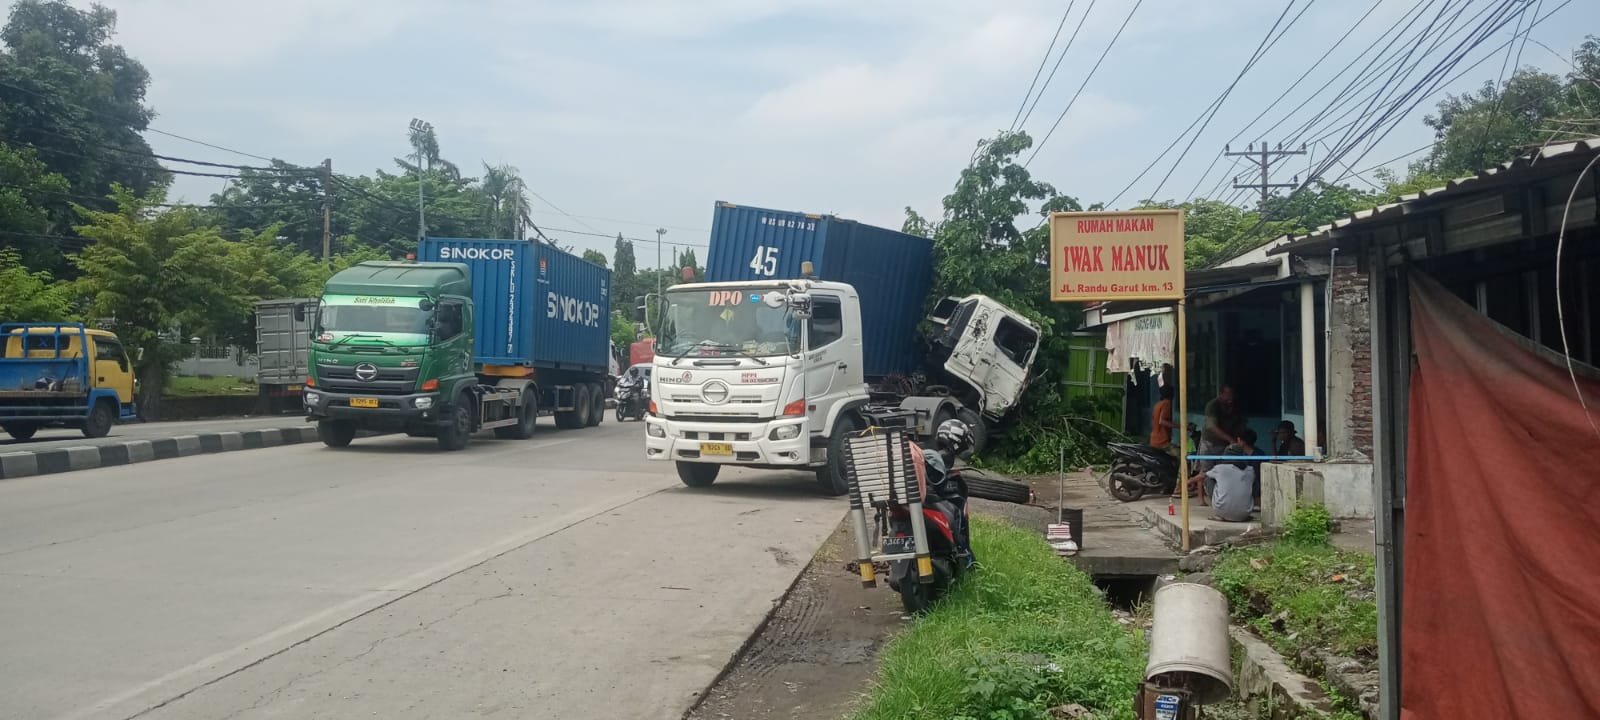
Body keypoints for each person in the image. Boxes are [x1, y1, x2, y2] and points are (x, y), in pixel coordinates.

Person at [1185, 385, 1239, 499]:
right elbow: (1211, 426)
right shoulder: (1213, 405)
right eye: (1228, 395)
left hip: (1223, 444)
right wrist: (1230, 439)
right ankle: (1200, 497)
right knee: (1205, 471)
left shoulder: (1232, 406)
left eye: (1232, 395)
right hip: (1209, 442)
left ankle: (1217, 495)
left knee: (1221, 471)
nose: (1231, 398)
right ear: (1221, 394)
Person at [1204, 446, 1256, 522]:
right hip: (1244, 514)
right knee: (1252, 484)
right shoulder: (1250, 470)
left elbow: (1204, 476)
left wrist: (1189, 481)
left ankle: (1219, 513)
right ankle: (1242, 508)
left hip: (1221, 511)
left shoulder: (1220, 468)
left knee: (1208, 480)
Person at [1149, 385, 1179, 458]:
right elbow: (1162, 421)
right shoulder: (1167, 403)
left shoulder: (1158, 404)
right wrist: (1182, 426)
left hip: (1154, 439)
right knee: (1180, 456)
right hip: (1162, 441)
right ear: (1171, 394)